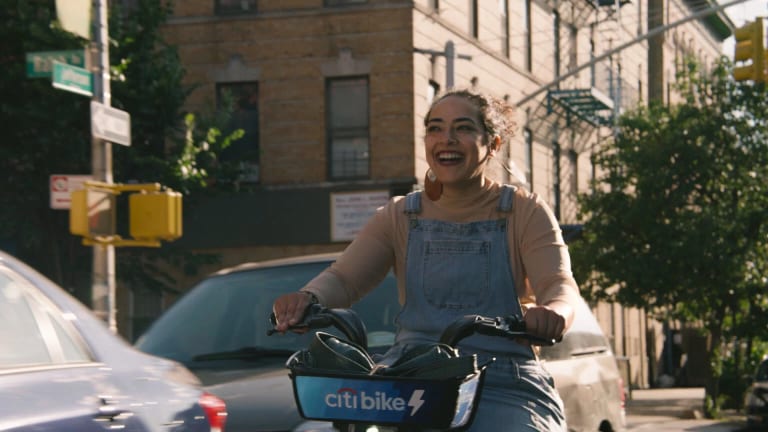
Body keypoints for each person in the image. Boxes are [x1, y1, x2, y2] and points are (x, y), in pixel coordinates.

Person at [272, 89, 582, 431]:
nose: (446, 139)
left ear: (493, 144)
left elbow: (559, 285)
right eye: (435, 128)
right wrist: (308, 298)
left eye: (463, 128)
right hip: (412, 384)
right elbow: (344, 278)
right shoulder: (400, 214)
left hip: (502, 381)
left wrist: (554, 313)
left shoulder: (525, 211)